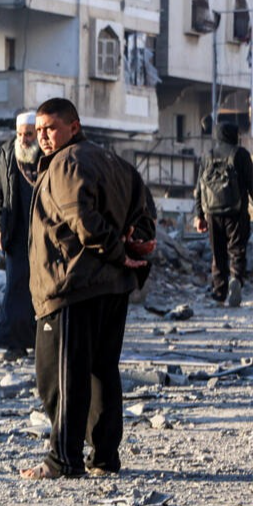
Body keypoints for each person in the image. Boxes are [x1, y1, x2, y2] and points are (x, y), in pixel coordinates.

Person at [21, 98, 155, 480]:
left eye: (51, 128)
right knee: (101, 372)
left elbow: (80, 216)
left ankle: (63, 459)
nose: (44, 137)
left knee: (58, 376)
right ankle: (104, 458)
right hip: (111, 287)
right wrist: (132, 251)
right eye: (40, 130)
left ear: (73, 126)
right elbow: (145, 215)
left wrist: (117, 251)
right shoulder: (117, 162)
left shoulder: (67, 162)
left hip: (72, 285)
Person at [0, 112, 40, 359]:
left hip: (43, 234)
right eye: (20, 134)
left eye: (29, 134)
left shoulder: (48, 156)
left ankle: (43, 343)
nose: (24, 139)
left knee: (43, 289)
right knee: (16, 287)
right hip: (16, 232)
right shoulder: (8, 153)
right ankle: (14, 343)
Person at [193, 122, 252, 307]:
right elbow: (252, 183)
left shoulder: (207, 156)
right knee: (237, 250)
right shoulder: (240, 154)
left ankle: (219, 294)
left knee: (217, 254)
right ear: (234, 135)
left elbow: (199, 189)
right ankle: (236, 279)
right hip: (236, 212)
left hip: (212, 213)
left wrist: (199, 216)